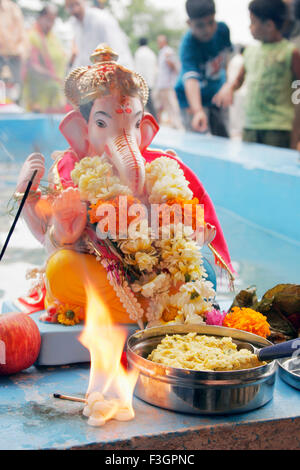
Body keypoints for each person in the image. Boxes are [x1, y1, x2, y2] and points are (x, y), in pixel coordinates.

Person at [230, 0, 300, 149]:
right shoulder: (250, 52)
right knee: (249, 167)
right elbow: (238, 81)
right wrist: (228, 89)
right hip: (250, 125)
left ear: (269, 25)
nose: (250, 27)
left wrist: (296, 134)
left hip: (278, 127)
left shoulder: (290, 52)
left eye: (253, 22)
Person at [175, 0, 233, 136]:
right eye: (200, 25)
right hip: (191, 97)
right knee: (197, 136)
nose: (207, 29)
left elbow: (226, 61)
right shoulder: (188, 45)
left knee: (223, 136)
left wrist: (228, 85)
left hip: (215, 93)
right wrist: (198, 110)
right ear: (189, 24)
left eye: (211, 22)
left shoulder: (223, 30)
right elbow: (191, 80)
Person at [22, 5, 67, 113]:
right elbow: (32, 65)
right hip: (37, 97)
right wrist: (53, 77)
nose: (50, 24)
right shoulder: (31, 36)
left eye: (53, 21)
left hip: (55, 95)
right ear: (40, 18)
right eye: (47, 20)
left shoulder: (53, 38)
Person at [65, 0, 133, 69]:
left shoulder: (101, 19)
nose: (75, 10)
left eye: (77, 4)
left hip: (112, 74)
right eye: (70, 7)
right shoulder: (75, 25)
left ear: (84, 1)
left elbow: (119, 51)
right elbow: (80, 60)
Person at [154, 35, 183, 129]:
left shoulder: (168, 51)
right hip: (162, 84)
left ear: (164, 42)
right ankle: (172, 124)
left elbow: (174, 66)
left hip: (168, 84)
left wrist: (169, 61)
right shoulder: (161, 52)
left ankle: (178, 124)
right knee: (164, 105)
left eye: (160, 41)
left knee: (172, 104)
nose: (158, 43)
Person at [0, 0, 26, 103]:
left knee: (13, 96)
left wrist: (19, 51)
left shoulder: (13, 9)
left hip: (13, 57)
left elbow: (21, 34)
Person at [134, 37, 158, 119]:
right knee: (149, 101)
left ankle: (146, 119)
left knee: (142, 102)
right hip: (150, 81)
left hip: (142, 81)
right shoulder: (151, 53)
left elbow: (138, 69)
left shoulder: (139, 53)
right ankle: (154, 118)